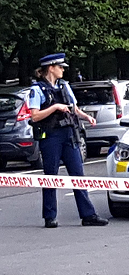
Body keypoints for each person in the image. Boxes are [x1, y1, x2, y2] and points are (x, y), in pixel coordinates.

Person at [28, 53, 109, 228]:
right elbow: (34, 116)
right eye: (60, 67)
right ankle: (50, 216)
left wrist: (87, 117)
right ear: (51, 68)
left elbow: (74, 108)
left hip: (69, 134)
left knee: (78, 175)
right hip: (51, 136)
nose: (63, 69)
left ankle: (88, 215)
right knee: (51, 176)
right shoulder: (38, 89)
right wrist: (55, 107)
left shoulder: (64, 86)